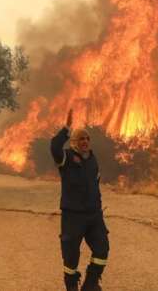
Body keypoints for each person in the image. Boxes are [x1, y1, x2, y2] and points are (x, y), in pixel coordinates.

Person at [50, 109, 109, 291]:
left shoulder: (92, 159)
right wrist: (66, 128)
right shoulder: (66, 158)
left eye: (87, 139)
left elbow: (96, 185)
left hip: (93, 215)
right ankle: (71, 287)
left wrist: (98, 209)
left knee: (102, 249)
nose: (85, 142)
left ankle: (90, 284)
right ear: (74, 142)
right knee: (71, 257)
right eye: (81, 139)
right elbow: (54, 147)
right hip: (73, 217)